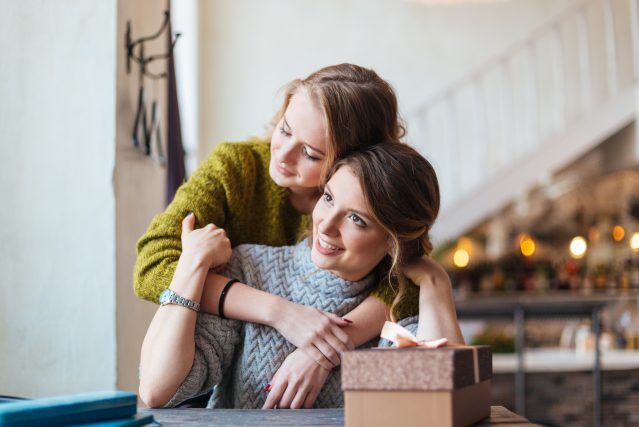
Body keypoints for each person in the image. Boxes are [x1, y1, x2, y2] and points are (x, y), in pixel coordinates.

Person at [134, 63, 447, 407]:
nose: (281, 154)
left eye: (311, 153)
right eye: (284, 130)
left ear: (352, 160)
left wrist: (323, 349)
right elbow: (154, 265)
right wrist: (280, 313)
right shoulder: (237, 170)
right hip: (219, 355)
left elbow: (404, 276)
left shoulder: (373, 219)